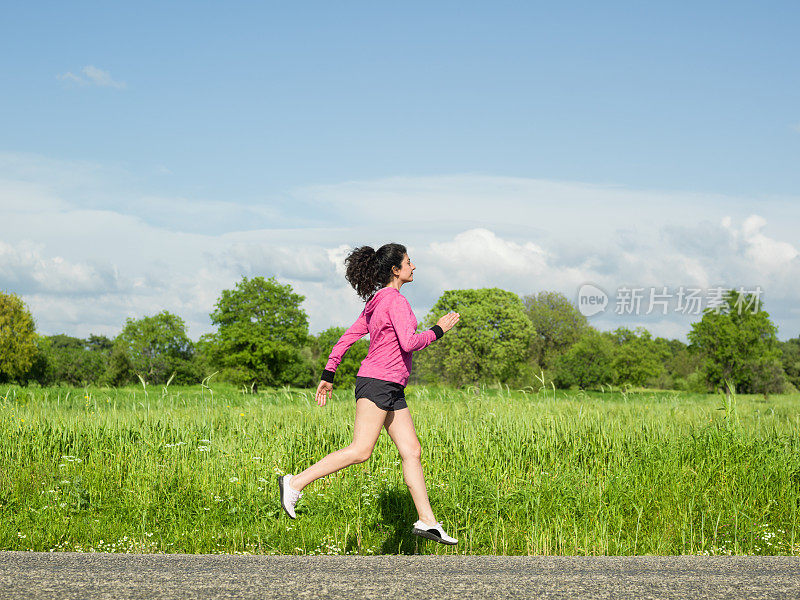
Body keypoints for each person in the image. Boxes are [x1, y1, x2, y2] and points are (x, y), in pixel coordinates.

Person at [278, 242, 460, 545]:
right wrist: (439, 329)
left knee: (412, 451)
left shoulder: (377, 301)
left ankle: (428, 521)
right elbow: (409, 343)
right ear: (395, 269)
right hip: (378, 382)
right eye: (409, 262)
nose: (413, 267)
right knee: (361, 450)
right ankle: (294, 482)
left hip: (390, 386)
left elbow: (348, 337)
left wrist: (328, 372)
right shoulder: (396, 302)